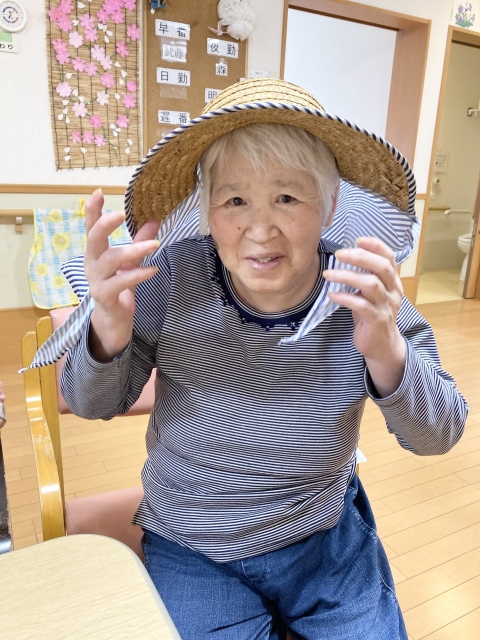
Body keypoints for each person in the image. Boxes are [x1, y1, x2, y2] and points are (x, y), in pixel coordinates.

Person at [60, 79, 467, 640]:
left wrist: (388, 349)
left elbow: (439, 434)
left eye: (287, 197)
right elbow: (88, 403)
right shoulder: (169, 281)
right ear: (206, 211)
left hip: (324, 539)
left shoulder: (361, 291)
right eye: (234, 200)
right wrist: (107, 330)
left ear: (328, 205)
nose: (259, 228)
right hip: (192, 542)